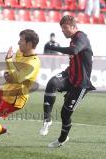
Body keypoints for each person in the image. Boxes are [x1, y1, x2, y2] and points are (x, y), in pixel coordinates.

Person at [39, 15, 95, 148]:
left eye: (65, 28)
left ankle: (62, 139)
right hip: (70, 75)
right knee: (52, 83)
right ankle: (47, 120)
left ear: (74, 27)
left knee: (65, 114)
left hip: (81, 84)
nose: (63, 31)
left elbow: (74, 50)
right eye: (61, 28)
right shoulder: (73, 39)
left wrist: (55, 48)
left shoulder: (81, 37)